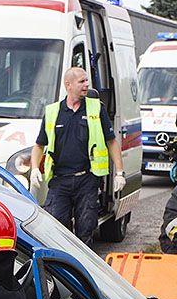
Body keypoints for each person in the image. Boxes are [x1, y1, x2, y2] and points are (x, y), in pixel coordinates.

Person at [29, 67, 125, 246]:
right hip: (59, 181)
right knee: (57, 231)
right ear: (68, 85)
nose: (87, 85)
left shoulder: (96, 108)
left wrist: (119, 172)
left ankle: (84, 271)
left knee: (86, 230)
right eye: (82, 81)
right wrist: (35, 168)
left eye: (86, 81)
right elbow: (39, 145)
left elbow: (111, 141)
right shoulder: (52, 112)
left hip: (86, 180)